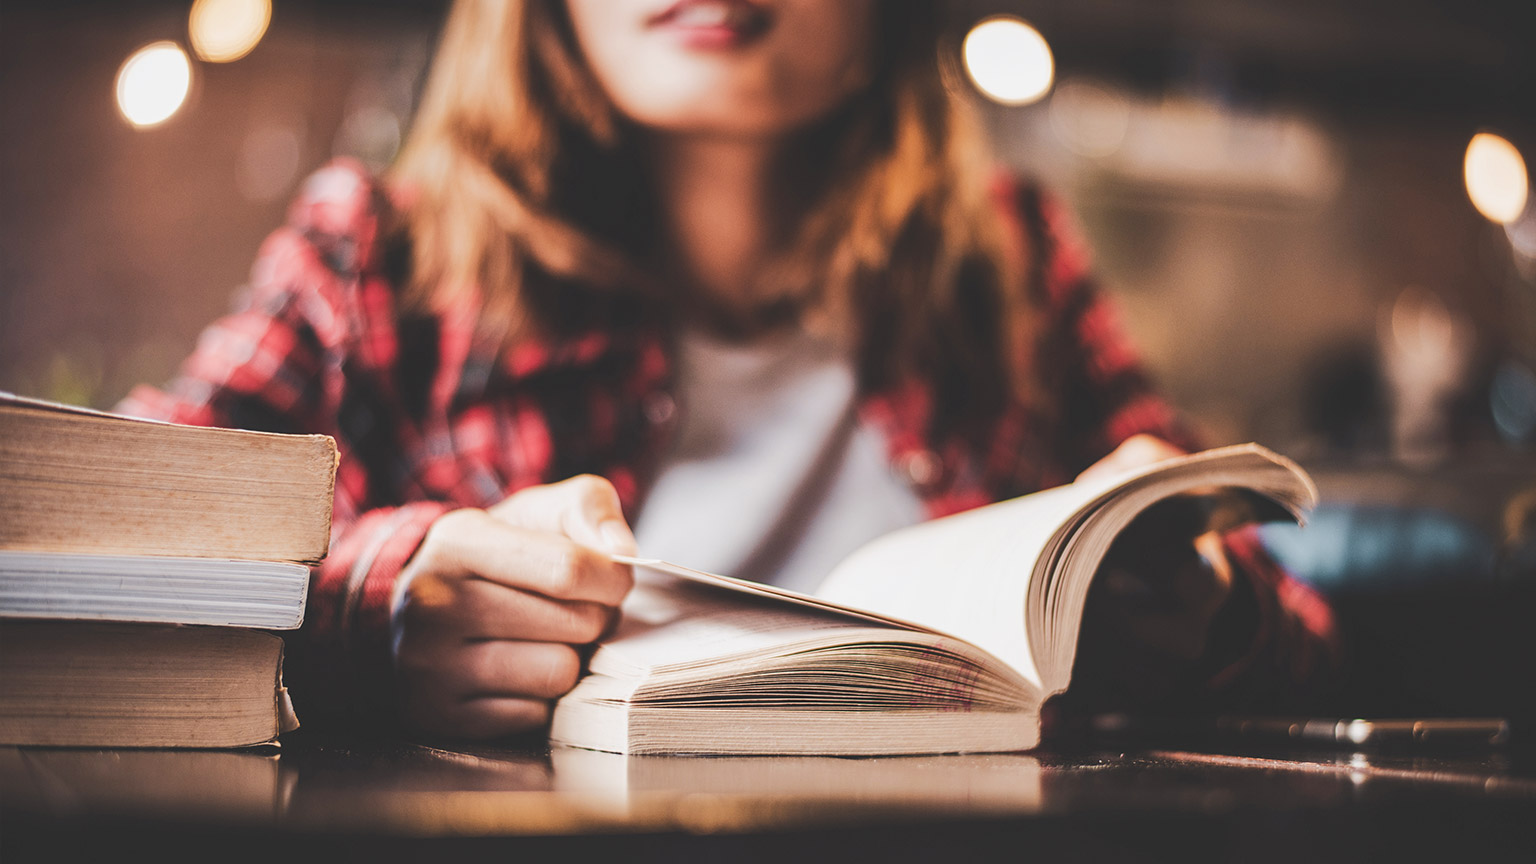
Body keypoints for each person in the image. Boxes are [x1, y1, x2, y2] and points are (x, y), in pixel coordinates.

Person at [120, 0, 1338, 740]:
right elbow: (99, 556)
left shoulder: (1009, 257)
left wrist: (1199, 603)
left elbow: (1296, 647)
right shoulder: (376, 253)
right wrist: (373, 604)